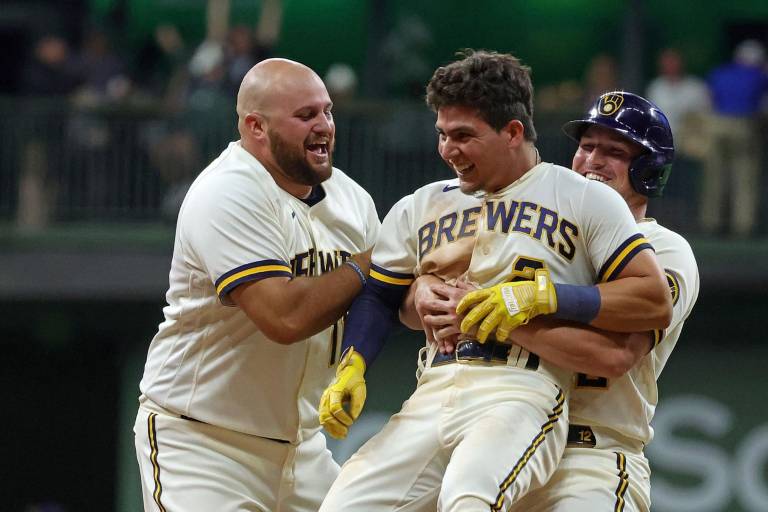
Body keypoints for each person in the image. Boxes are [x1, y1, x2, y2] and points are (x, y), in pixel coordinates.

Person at [318, 51, 671, 512]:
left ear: (513, 132)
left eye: (464, 136)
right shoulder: (421, 204)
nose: (447, 150)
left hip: (523, 385)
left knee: (470, 498)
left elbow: (652, 299)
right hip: (435, 383)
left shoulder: (583, 197)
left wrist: (540, 296)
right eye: (443, 134)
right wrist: (354, 362)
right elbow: (381, 294)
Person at [412, 91, 699, 511]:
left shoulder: (664, 250)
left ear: (650, 169)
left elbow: (614, 356)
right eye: (586, 146)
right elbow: (427, 278)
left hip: (590, 457)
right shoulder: (542, 227)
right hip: (496, 441)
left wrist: (499, 319)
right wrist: (423, 284)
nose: (593, 161)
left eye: (615, 151)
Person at [133, 58, 380, 512]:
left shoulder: (352, 199)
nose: (324, 125)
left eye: (327, 112)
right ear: (256, 127)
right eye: (305, 115)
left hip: (303, 449)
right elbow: (284, 316)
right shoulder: (227, 191)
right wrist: (374, 262)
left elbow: (378, 294)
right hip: (204, 445)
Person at [702, 39, 768, 237]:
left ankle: (711, 221)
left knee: (715, 176)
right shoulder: (759, 76)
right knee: (744, 177)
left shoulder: (720, 72)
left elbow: (708, 100)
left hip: (717, 124)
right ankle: (743, 225)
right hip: (743, 126)